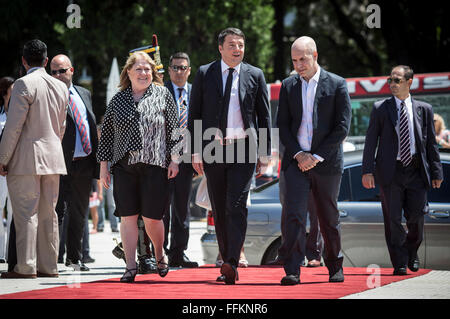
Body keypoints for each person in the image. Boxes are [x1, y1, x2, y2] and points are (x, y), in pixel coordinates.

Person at [189, 27, 272, 285]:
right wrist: (193, 150)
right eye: (232, 44)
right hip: (213, 148)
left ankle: (231, 262)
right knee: (219, 207)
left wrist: (265, 152)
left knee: (236, 206)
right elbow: (195, 113)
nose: (238, 49)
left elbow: (265, 115)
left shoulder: (255, 75)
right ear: (221, 48)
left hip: (244, 147)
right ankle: (227, 257)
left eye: (241, 45)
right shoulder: (205, 73)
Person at [97, 51, 180, 283]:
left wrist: (175, 159)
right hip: (124, 166)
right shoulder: (118, 99)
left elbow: (175, 129)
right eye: (139, 69)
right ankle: (130, 266)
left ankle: (160, 253)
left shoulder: (163, 94)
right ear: (129, 72)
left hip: (155, 164)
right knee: (128, 217)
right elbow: (107, 136)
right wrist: (103, 167)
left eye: (147, 69)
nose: (144, 73)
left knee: (153, 218)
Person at [275, 36, 351, 285]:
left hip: (326, 163)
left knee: (328, 216)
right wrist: (299, 154)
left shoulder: (337, 84)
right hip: (296, 162)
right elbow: (283, 126)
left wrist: (316, 157)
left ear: (315, 56)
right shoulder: (288, 85)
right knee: (293, 216)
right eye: (294, 60)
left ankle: (335, 266)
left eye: (303, 59)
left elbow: (341, 128)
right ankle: (293, 269)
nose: (298, 65)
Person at [362, 65, 443, 275]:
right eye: (390, 80)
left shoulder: (424, 109)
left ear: (409, 82)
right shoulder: (381, 108)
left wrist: (437, 172)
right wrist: (367, 170)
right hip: (391, 172)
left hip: (416, 171)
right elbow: (371, 141)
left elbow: (431, 145)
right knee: (393, 219)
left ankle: (412, 251)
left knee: (417, 215)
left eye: (397, 80)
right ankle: (399, 262)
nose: (392, 84)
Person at [0, 39, 68, 278]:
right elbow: (62, 126)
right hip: (53, 158)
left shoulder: (22, 84)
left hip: (27, 160)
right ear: (47, 61)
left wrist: (3, 158)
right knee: (49, 214)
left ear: (23, 60)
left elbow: (13, 128)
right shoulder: (61, 86)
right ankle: (49, 266)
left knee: (27, 213)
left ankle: (26, 266)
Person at [50, 54, 99, 272]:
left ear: (72, 70)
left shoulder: (84, 93)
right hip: (59, 163)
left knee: (79, 213)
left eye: (62, 70)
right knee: (57, 212)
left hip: (84, 162)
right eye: (53, 72)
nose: (58, 75)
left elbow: (90, 124)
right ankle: (51, 259)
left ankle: (74, 258)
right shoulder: (49, 95)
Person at [163, 52, 198, 268]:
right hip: (163, 159)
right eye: (175, 67)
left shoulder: (196, 92)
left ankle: (179, 252)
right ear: (169, 70)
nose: (179, 72)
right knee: (161, 208)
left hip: (186, 159)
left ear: (189, 70)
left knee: (182, 209)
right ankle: (162, 252)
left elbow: (200, 124)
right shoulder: (159, 91)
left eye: (183, 68)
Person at [0, 76, 14, 263]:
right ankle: (0, 253)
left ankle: (11, 253)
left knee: (15, 213)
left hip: (17, 170)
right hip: (0, 172)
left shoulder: (22, 112)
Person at [96, 122, 119, 233]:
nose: (100, 135)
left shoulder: (110, 146)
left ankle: (114, 225)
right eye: (99, 133)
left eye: (101, 132)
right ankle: (100, 225)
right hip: (97, 178)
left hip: (111, 178)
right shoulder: (95, 146)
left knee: (111, 202)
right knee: (99, 202)